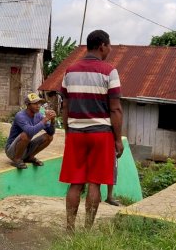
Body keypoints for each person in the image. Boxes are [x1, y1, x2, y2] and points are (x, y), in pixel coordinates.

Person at [59, 29, 123, 232]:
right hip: (101, 134)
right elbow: (115, 108)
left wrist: (69, 131)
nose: (110, 50)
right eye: (109, 46)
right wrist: (118, 139)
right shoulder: (109, 71)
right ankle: (87, 230)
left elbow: (65, 107)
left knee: (75, 183)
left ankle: (70, 229)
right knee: (95, 183)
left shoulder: (70, 71)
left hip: (76, 133)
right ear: (102, 45)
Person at [5, 92, 56, 169]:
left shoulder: (38, 115)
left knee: (49, 137)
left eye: (39, 103)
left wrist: (52, 120)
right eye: (35, 103)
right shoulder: (20, 116)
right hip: (12, 150)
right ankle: (16, 159)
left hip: (26, 148)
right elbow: (30, 132)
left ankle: (30, 157)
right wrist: (45, 119)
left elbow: (51, 132)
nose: (38, 106)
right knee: (26, 134)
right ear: (28, 105)